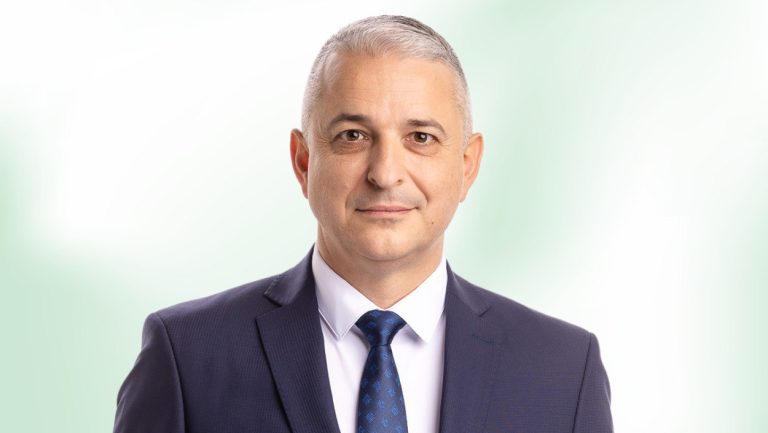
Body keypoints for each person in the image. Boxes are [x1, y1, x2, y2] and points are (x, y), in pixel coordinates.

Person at [113, 15, 613, 433]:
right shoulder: (188, 356)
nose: (385, 173)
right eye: (353, 135)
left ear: (468, 165)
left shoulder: (564, 370)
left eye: (420, 137)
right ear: (304, 161)